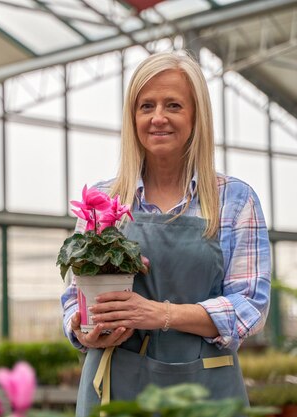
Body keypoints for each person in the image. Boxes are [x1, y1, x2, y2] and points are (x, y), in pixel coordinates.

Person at [60, 51, 271, 417]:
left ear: (195, 116)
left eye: (173, 105)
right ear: (133, 118)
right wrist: (82, 331)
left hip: (206, 391)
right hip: (116, 388)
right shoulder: (104, 201)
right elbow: (73, 296)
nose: (158, 118)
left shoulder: (234, 200)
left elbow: (250, 305)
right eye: (146, 106)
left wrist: (159, 314)